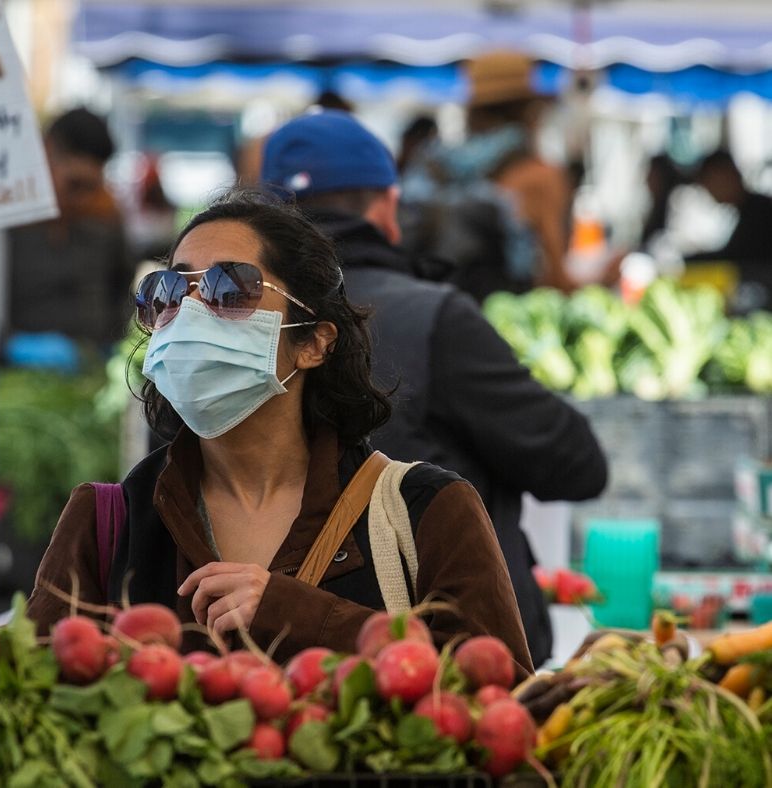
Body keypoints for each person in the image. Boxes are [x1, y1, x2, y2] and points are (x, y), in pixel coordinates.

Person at [26, 187, 533, 673]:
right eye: (172, 291)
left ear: (314, 341)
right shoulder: (107, 522)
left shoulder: (427, 511)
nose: (192, 315)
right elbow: (25, 704)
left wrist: (303, 615)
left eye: (232, 288)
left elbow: (502, 695)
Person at [260, 110, 609, 667]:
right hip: (442, 659)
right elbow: (577, 462)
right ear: (387, 208)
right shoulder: (434, 319)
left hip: (262, 652)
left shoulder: (227, 324)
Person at [400, 50, 621, 300]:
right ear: (529, 111)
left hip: (441, 312)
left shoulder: (441, 167)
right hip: (500, 322)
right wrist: (603, 279)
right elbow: (556, 281)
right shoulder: (540, 177)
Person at [5, 107, 135, 352]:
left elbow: (123, 285)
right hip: (13, 367)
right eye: (75, 185)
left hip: (90, 362)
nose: (83, 199)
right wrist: (5, 345)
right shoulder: (7, 216)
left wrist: (114, 338)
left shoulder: (106, 214)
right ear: (46, 154)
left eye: (93, 186)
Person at [693, 149, 772, 265]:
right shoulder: (752, 208)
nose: (708, 191)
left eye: (709, 182)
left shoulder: (759, 212)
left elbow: (736, 258)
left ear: (726, 175)